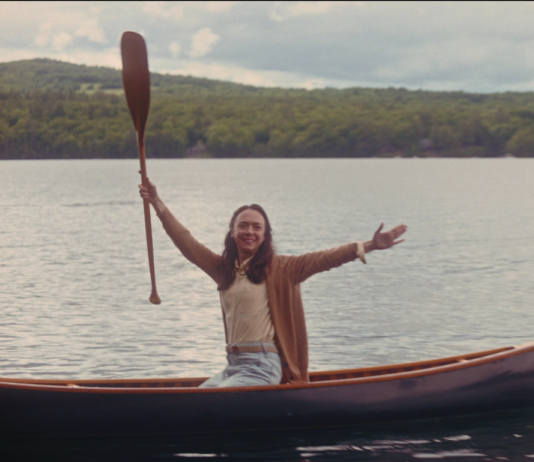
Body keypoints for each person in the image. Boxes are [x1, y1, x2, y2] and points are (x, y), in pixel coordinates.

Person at [139, 179, 407, 387]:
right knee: (197, 398)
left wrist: (372, 245)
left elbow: (327, 258)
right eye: (243, 226)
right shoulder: (223, 269)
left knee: (208, 401)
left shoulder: (284, 268)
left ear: (265, 236)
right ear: (232, 232)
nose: (249, 231)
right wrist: (156, 201)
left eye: (257, 227)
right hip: (232, 365)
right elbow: (186, 242)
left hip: (262, 365)